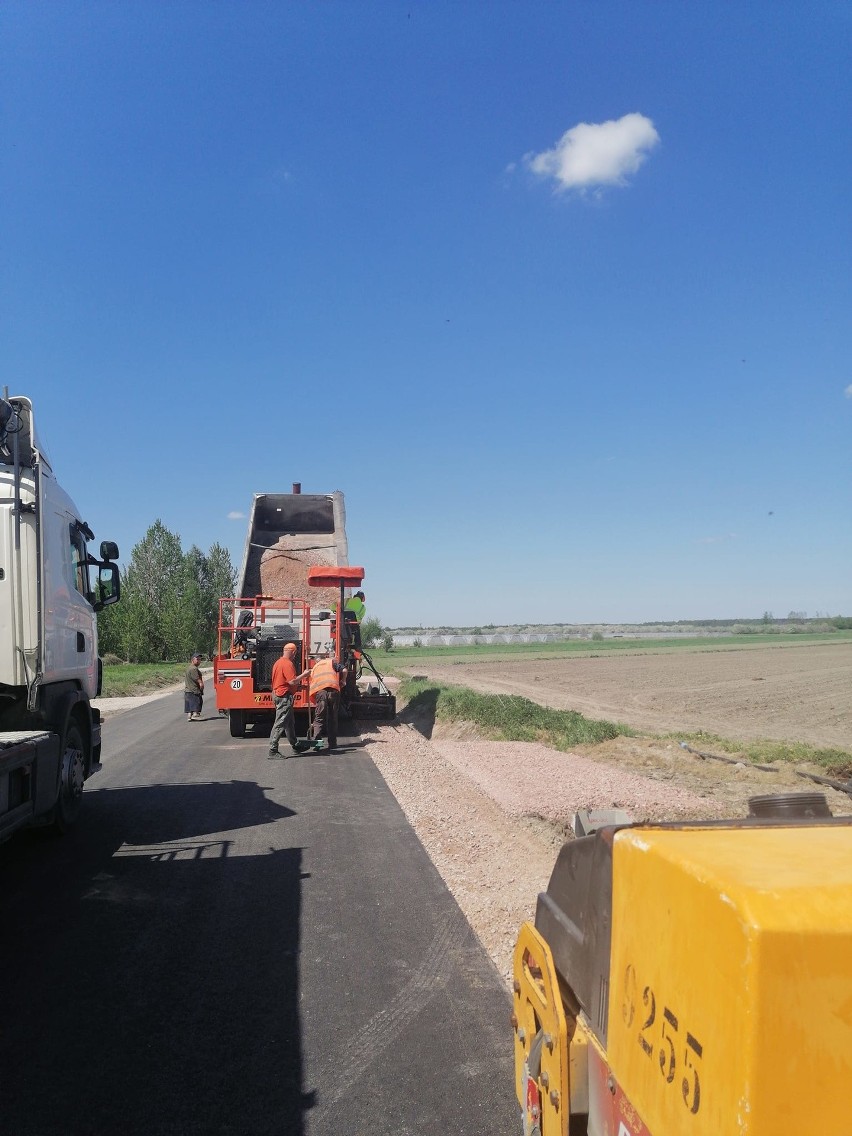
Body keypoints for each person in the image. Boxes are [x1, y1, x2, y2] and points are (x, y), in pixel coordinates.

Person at [268, 642, 309, 758]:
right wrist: (304, 675)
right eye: (295, 653)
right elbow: (292, 681)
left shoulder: (278, 663)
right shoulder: (288, 664)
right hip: (283, 697)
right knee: (280, 722)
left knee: (289, 723)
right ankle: (273, 750)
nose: (295, 655)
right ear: (293, 652)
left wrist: (300, 687)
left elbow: (284, 682)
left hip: (279, 693)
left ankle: (295, 745)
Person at [309, 654, 348, 752]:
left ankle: (317, 744)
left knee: (318, 719)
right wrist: (343, 681)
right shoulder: (331, 663)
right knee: (332, 718)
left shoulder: (315, 667)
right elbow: (344, 670)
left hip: (321, 693)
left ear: (317, 660)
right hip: (333, 692)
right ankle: (332, 744)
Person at [184, 652, 204, 721]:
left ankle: (189, 716)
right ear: (192, 659)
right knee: (197, 702)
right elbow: (196, 678)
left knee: (190, 703)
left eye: (200, 659)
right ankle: (195, 715)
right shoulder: (193, 669)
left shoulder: (189, 668)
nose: (199, 661)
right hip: (194, 690)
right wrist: (201, 683)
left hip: (188, 690)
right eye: (197, 659)